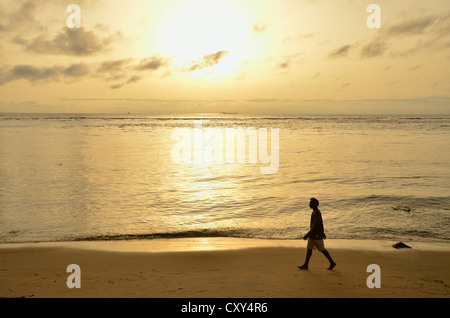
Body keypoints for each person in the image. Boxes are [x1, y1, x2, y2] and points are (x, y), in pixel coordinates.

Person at [298, 198, 336, 270]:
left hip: (316, 235)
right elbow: (320, 224)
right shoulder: (314, 212)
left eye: (310, 203)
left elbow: (316, 225)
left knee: (322, 249)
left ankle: (332, 262)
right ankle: (306, 265)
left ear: (314, 204)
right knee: (309, 249)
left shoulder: (317, 213)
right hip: (313, 234)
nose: (309, 204)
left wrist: (307, 234)